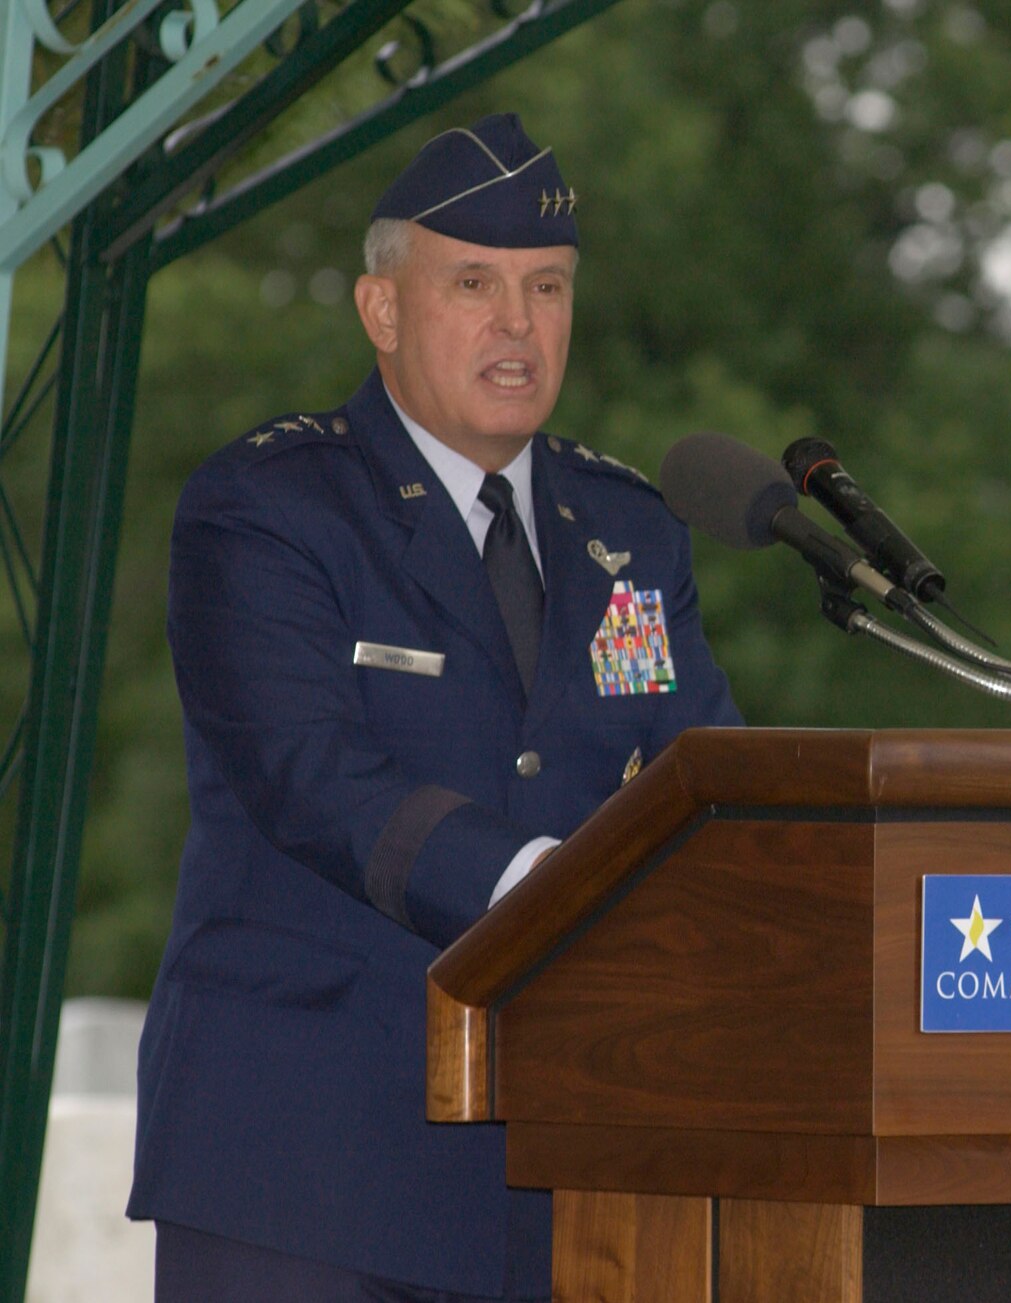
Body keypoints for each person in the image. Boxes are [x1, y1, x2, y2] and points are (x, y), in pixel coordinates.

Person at [126, 114, 740, 1301]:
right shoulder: (270, 509)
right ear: (383, 311)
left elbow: (695, 778)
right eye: (474, 283)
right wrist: (549, 887)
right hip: (303, 1169)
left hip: (568, 1171)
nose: (518, 324)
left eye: (547, 288)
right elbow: (314, 778)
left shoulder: (628, 533)